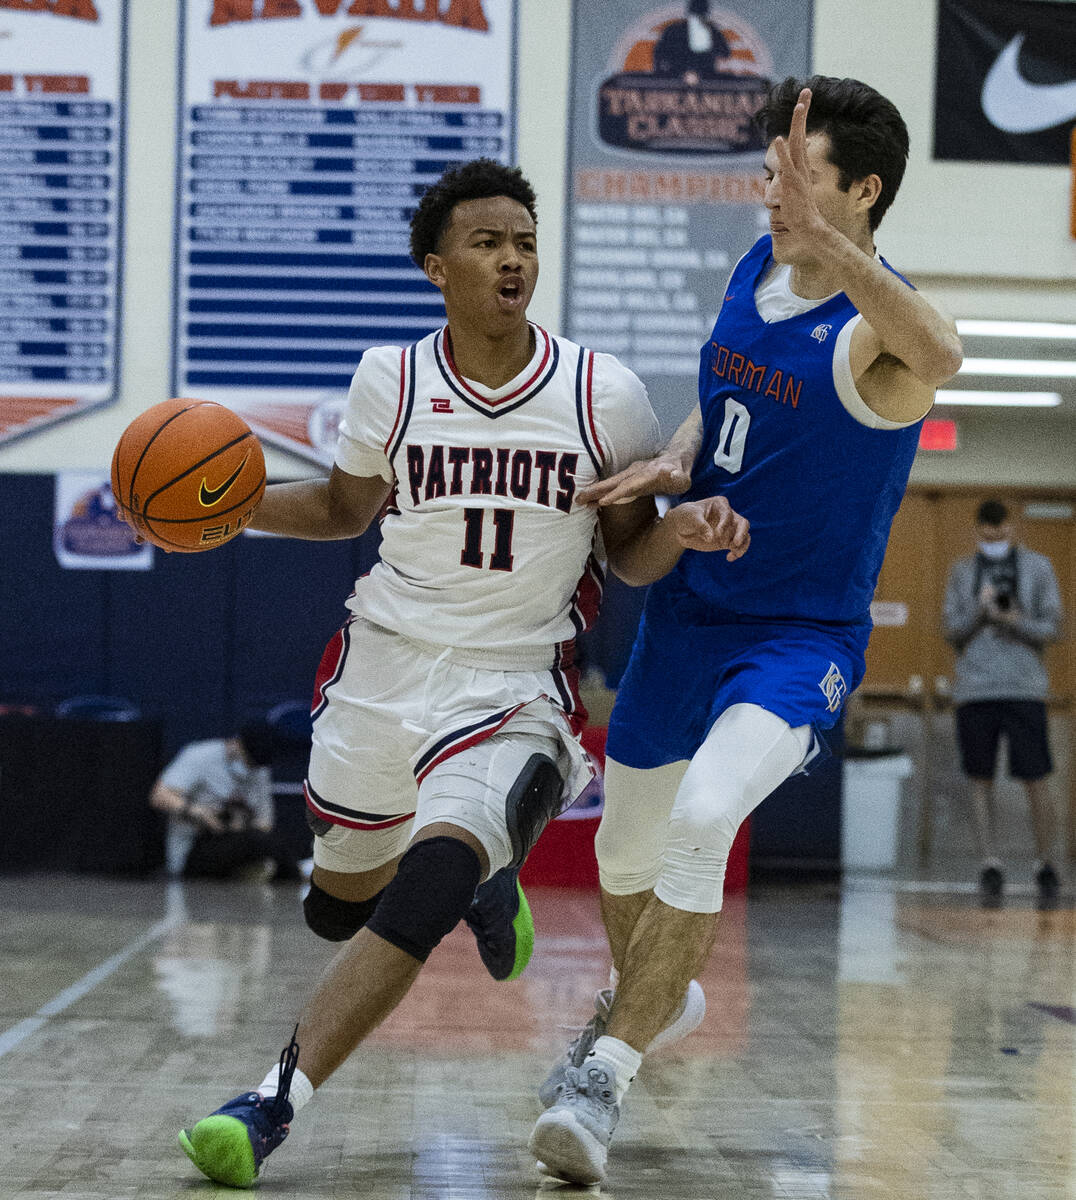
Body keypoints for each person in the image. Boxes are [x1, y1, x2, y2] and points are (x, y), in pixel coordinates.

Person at [175, 158, 750, 1188]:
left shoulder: (598, 389)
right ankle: (491, 883)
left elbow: (625, 552)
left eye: (524, 241)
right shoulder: (387, 379)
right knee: (337, 908)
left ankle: (267, 1104)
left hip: (514, 682)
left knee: (425, 881)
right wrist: (229, 507)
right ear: (435, 267)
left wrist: (685, 531)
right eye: (487, 242)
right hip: (383, 668)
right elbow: (347, 510)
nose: (512, 258)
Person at [528, 76, 964, 1186]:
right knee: (622, 855)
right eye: (768, 171)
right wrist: (679, 457)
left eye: (795, 178)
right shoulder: (749, 271)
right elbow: (722, 394)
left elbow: (944, 354)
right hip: (685, 617)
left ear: (860, 193)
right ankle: (658, 1001)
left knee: (706, 815)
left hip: (794, 639)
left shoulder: (879, 341)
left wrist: (839, 249)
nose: (769, 192)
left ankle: (601, 1077)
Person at [942, 498, 1063, 908]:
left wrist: (1015, 620)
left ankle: (1046, 861)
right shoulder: (962, 571)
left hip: (1025, 687)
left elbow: (1054, 627)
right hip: (975, 688)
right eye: (986, 535)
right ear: (978, 532)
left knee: (1036, 777)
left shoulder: (1038, 567)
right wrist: (980, 611)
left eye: (1000, 533)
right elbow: (951, 630)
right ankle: (989, 862)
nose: (993, 540)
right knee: (980, 777)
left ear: (1012, 528)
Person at [151, 721, 299, 882]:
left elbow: (265, 824)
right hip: (194, 845)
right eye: (248, 761)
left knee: (270, 842)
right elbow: (160, 796)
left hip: (236, 841)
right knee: (257, 841)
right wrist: (199, 812)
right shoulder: (201, 756)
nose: (250, 768)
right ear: (236, 744)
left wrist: (238, 822)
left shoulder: (259, 770)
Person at [653, 0, 732, 81]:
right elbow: (658, 54)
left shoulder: (712, 31)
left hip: (705, 78)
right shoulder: (674, 30)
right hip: (676, 78)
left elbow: (725, 52)